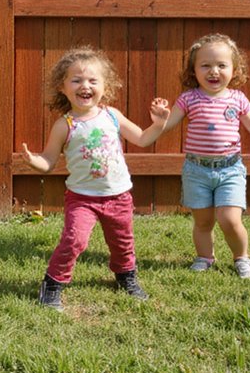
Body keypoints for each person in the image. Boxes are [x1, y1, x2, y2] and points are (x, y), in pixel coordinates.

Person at [22, 46, 170, 311]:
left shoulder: (112, 116)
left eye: (92, 80)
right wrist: (34, 161)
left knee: (123, 241)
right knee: (74, 241)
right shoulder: (65, 125)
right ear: (63, 87)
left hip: (118, 196)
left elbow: (143, 138)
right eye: (76, 80)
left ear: (106, 86)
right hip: (82, 199)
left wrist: (158, 124)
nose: (84, 86)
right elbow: (49, 161)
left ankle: (126, 277)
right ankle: (53, 283)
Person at [158, 33, 250, 279]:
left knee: (229, 219)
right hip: (196, 170)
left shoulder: (237, 98)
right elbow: (169, 124)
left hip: (230, 169)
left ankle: (242, 258)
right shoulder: (189, 98)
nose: (214, 71)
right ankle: (204, 257)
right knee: (203, 222)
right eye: (206, 65)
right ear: (194, 70)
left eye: (221, 65)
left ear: (234, 69)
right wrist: (160, 118)